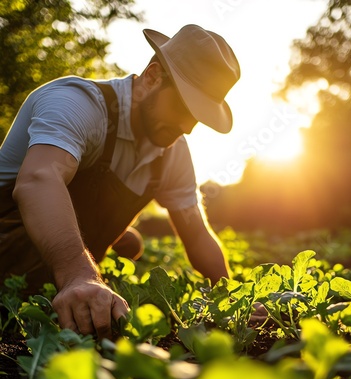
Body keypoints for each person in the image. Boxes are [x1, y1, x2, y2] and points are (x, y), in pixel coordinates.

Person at [0, 24, 241, 339]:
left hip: (50, 276)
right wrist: (78, 276)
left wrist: (234, 298)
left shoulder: (172, 149)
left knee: (132, 243)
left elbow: (196, 234)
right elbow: (39, 179)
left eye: (197, 116)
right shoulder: (77, 103)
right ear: (153, 76)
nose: (188, 126)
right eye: (184, 107)